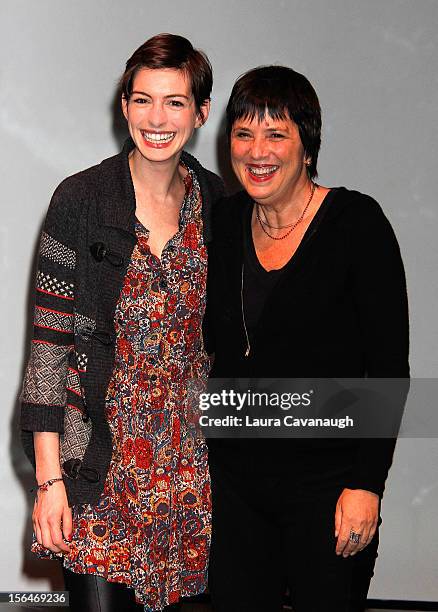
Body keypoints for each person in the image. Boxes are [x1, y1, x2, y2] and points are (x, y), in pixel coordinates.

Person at [20, 33, 224, 612]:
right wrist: (50, 481)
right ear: (124, 106)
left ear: (201, 112)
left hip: (193, 476)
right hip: (99, 471)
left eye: (175, 101)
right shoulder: (80, 200)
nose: (156, 118)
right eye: (142, 99)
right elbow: (48, 349)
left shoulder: (219, 202)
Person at [205, 66, 409, 611]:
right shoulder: (223, 223)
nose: (257, 151)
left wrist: (367, 485)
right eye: (244, 134)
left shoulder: (357, 224)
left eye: (277, 134)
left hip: (329, 490)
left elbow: (389, 368)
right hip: (236, 493)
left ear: (308, 147)